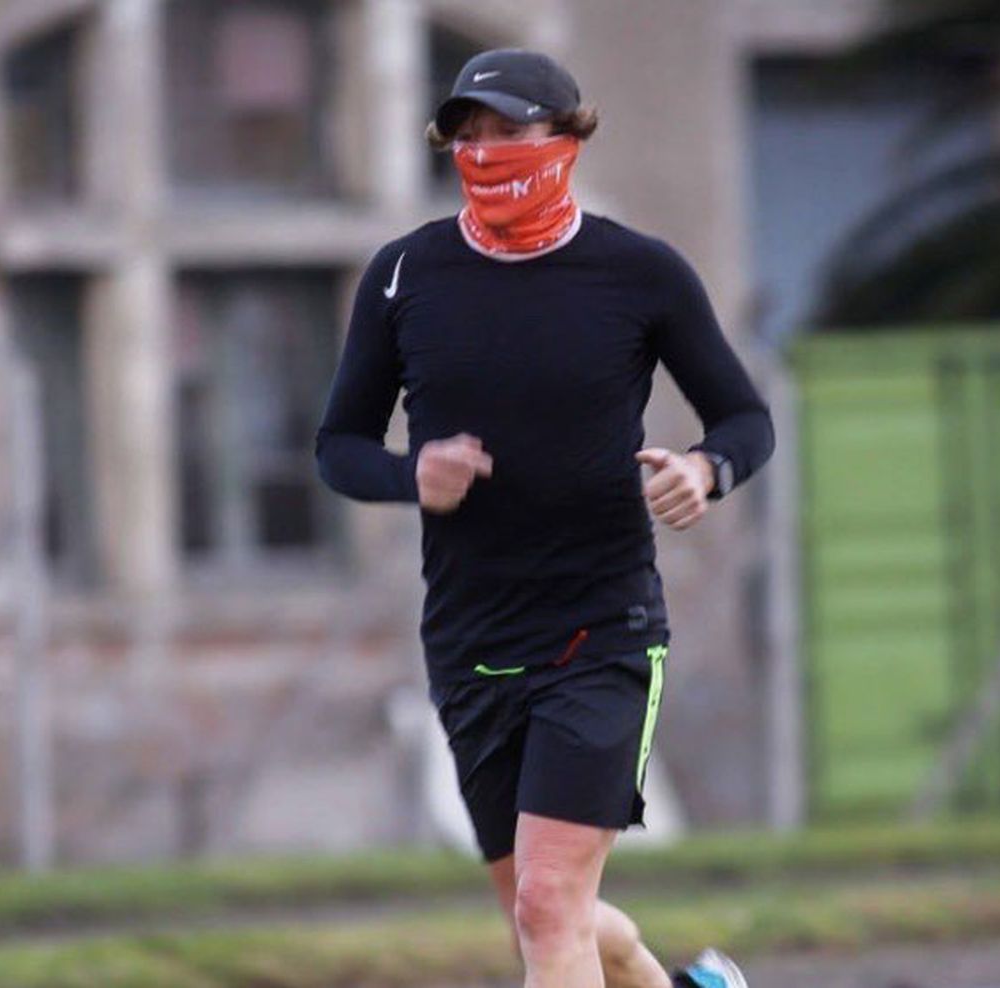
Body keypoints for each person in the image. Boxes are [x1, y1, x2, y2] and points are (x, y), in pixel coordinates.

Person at [315, 47, 773, 988]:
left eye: (511, 131)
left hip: (600, 632)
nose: (486, 152)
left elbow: (745, 417)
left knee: (546, 907)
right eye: (468, 134)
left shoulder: (638, 273)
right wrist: (415, 476)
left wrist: (705, 467)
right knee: (541, 908)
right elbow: (338, 447)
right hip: (469, 636)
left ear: (568, 139)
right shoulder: (405, 277)